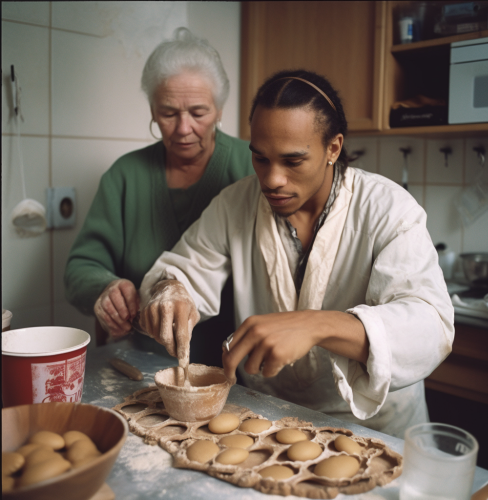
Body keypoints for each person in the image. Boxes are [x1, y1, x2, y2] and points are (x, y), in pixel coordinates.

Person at [138, 69, 454, 438]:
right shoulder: (234, 204)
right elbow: (183, 272)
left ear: (332, 148)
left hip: (375, 428)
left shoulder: (388, 208)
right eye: (260, 159)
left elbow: (431, 327)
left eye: (292, 161)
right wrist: (171, 291)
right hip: (266, 421)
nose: (271, 179)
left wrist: (315, 323)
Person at [64, 28, 253, 363]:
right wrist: (104, 289)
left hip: (236, 366)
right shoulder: (125, 175)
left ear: (220, 110)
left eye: (198, 112)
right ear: (152, 110)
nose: (183, 128)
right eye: (168, 113)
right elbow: (80, 267)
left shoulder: (253, 169)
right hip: (141, 360)